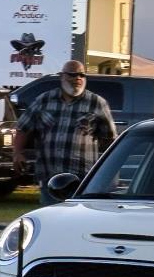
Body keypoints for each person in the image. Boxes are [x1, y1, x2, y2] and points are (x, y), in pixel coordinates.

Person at [14, 61, 116, 205]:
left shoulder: (96, 103)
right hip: (49, 174)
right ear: (62, 76)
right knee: (50, 214)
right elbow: (23, 127)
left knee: (78, 215)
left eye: (81, 75)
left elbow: (110, 139)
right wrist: (17, 153)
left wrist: (107, 171)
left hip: (81, 178)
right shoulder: (44, 100)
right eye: (72, 75)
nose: (77, 78)